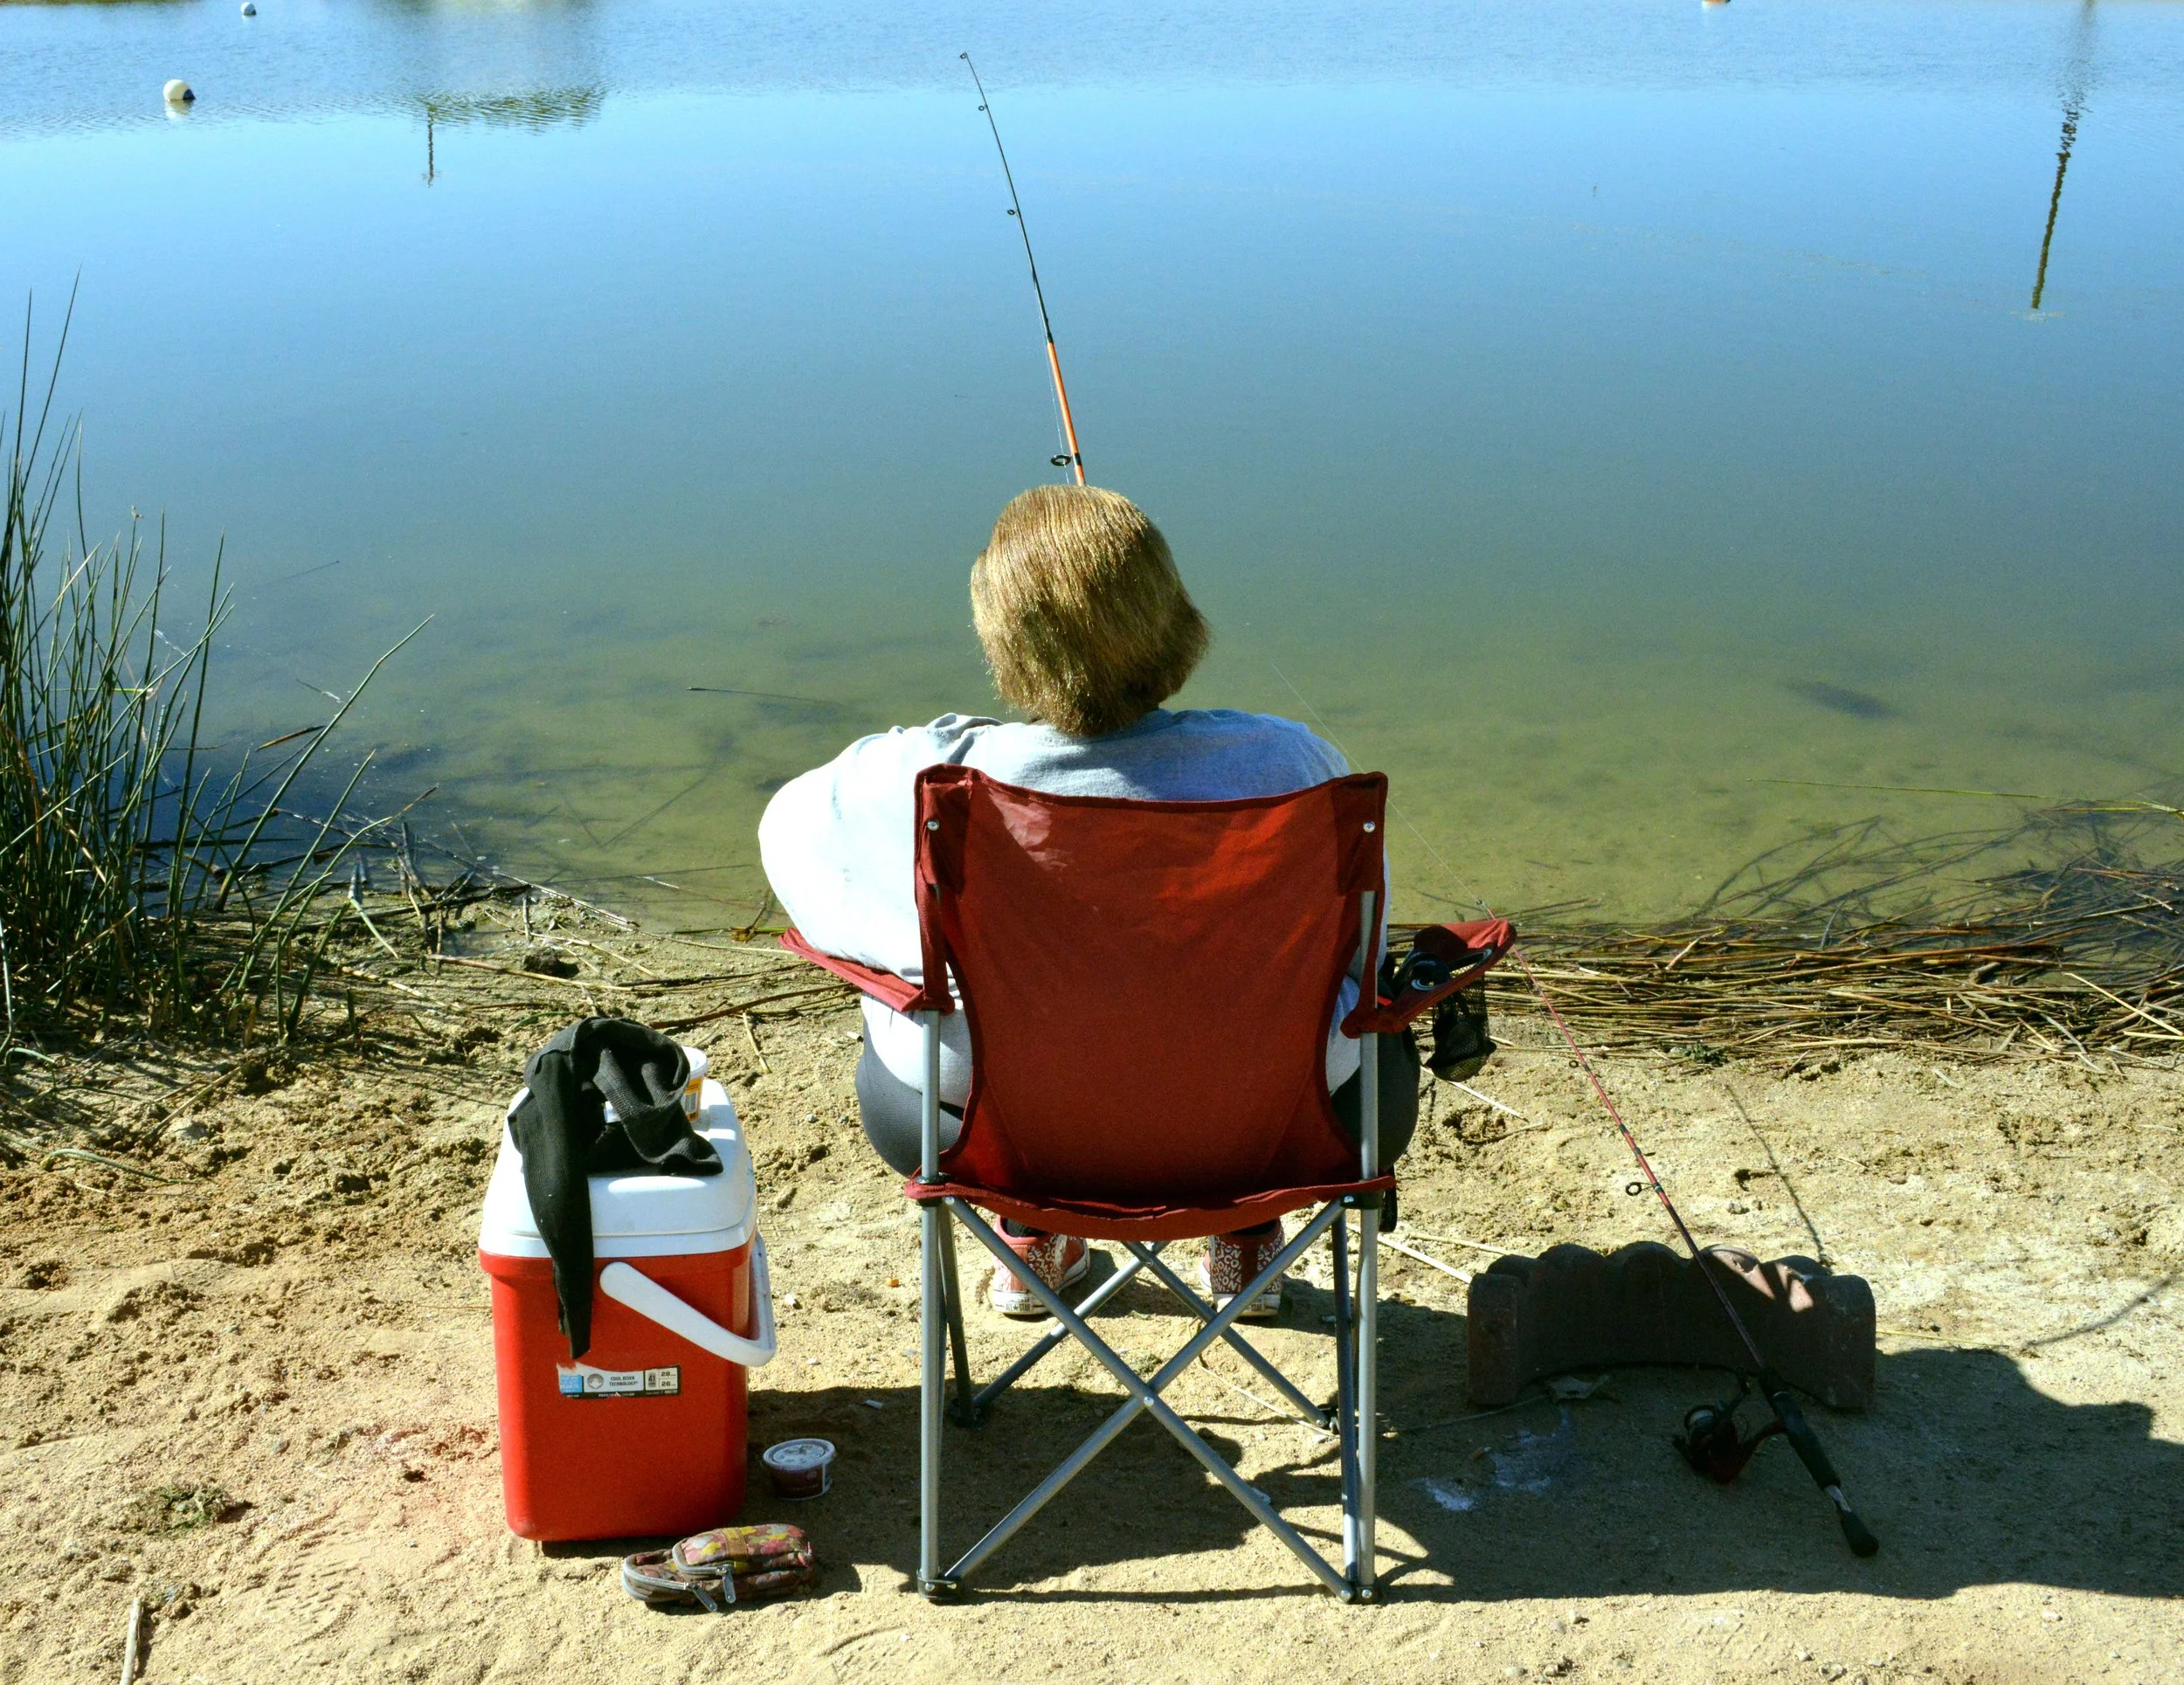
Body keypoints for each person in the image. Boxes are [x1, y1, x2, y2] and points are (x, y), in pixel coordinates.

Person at [758, 485, 1418, 1318]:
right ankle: (1250, 1231)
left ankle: (1035, 1232)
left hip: (1005, 1145)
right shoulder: (1296, 766)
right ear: (1173, 615)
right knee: (1348, 1017)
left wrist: (945, 743)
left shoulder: (937, 781)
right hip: (1277, 1140)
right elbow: (1361, 950)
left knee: (920, 1011)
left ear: (1004, 641)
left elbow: (787, 837)